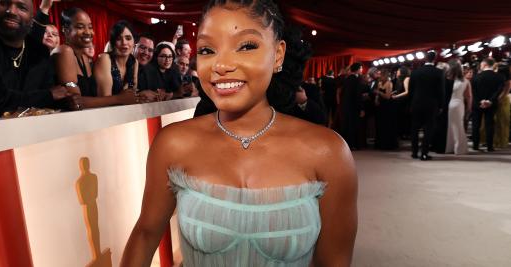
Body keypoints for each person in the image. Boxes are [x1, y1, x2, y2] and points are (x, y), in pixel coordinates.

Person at [120, 0, 358, 266]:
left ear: (278, 54)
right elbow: (145, 234)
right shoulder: (173, 144)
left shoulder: (328, 152)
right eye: (208, 50)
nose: (221, 65)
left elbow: (334, 261)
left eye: (246, 46)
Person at [0, 0, 69, 120]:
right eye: (3, 3)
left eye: (22, 8)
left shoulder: (39, 51)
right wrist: (48, 96)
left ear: (31, 17)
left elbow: (50, 99)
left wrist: (65, 101)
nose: (11, 11)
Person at [52, 8, 140, 110]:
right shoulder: (65, 51)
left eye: (90, 27)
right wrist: (119, 98)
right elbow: (75, 102)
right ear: (65, 30)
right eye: (80, 27)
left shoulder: (84, 58)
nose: (88, 32)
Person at [409, 51, 445, 160]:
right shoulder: (439, 72)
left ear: (425, 59)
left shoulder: (415, 72)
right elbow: (441, 91)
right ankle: (424, 153)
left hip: (416, 103)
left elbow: (411, 90)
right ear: (435, 59)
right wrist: (441, 105)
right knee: (429, 129)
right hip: (431, 104)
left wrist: (410, 104)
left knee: (414, 128)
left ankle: (414, 152)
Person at [95, 20, 139, 97]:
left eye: (128, 38)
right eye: (119, 39)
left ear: (134, 42)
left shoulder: (134, 62)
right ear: (113, 43)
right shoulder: (105, 59)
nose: (124, 42)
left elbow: (132, 95)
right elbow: (105, 99)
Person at [471, 58, 505, 151]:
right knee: (490, 125)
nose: (480, 66)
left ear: (485, 65)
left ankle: (475, 145)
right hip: (492, 104)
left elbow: (474, 92)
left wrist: (480, 101)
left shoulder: (476, 77)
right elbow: (499, 91)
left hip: (477, 104)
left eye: (481, 64)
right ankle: (490, 146)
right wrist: (490, 101)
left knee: (476, 125)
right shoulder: (500, 77)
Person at [445, 59, 472, 155]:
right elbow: (468, 96)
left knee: (451, 126)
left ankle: (450, 147)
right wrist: (469, 107)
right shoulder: (465, 81)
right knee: (458, 125)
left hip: (449, 104)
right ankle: (459, 147)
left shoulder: (447, 79)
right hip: (459, 104)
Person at [341, 62, 365, 150]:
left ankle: (348, 144)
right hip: (354, 106)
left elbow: (343, 93)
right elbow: (358, 95)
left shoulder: (347, 79)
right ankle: (353, 144)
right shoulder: (357, 80)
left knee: (347, 125)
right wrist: (361, 108)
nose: (362, 70)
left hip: (346, 106)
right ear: (358, 69)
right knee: (353, 126)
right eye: (361, 68)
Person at [374, 70, 398, 150]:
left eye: (381, 75)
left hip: (387, 106)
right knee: (380, 125)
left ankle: (387, 144)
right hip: (380, 106)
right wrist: (376, 99)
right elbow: (377, 94)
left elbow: (387, 96)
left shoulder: (389, 83)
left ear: (385, 76)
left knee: (386, 125)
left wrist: (379, 93)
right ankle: (380, 143)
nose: (379, 77)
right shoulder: (380, 83)